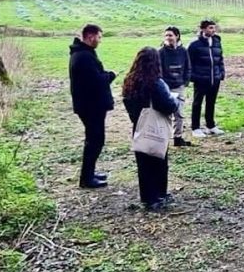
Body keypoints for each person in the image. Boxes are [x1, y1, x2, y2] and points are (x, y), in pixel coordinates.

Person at [122, 47, 179, 212]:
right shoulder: (155, 83)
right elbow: (168, 106)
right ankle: (159, 195)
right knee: (159, 162)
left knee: (143, 165)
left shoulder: (129, 81)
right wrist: (175, 102)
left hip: (138, 126)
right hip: (155, 128)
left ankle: (147, 198)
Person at [69, 24, 116, 189]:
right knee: (95, 141)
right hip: (90, 106)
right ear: (90, 37)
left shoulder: (83, 54)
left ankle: (90, 173)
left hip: (90, 104)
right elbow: (94, 82)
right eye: (99, 37)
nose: (100, 41)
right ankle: (86, 178)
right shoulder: (83, 57)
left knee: (95, 139)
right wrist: (110, 76)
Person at [188, 20, 225, 137]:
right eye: (210, 28)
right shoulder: (194, 45)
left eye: (214, 28)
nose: (213, 30)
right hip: (201, 79)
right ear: (203, 29)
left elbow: (220, 59)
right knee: (197, 103)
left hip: (215, 78)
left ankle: (211, 125)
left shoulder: (217, 42)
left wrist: (221, 73)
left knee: (211, 102)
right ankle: (195, 128)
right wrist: (193, 77)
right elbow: (189, 63)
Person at [159, 26, 191, 147]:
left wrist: (185, 81)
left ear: (177, 36)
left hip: (179, 86)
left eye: (170, 35)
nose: (168, 38)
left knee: (179, 113)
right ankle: (163, 138)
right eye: (166, 35)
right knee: (165, 114)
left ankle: (178, 138)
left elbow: (188, 66)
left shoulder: (183, 51)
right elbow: (158, 70)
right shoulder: (160, 52)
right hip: (165, 88)